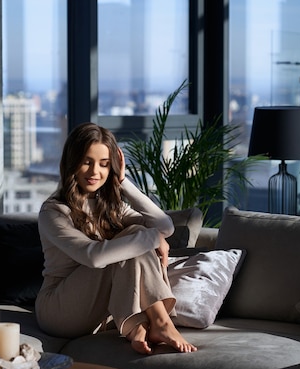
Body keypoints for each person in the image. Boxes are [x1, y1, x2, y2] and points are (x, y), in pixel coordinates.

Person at [35, 122, 197, 355]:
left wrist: (123, 183)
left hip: (98, 311)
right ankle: (161, 323)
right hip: (59, 310)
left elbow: (165, 226)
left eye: (103, 164)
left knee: (135, 239)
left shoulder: (110, 207)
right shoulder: (54, 212)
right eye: (87, 162)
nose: (95, 172)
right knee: (135, 237)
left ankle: (139, 326)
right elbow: (93, 257)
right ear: (72, 163)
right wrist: (153, 238)